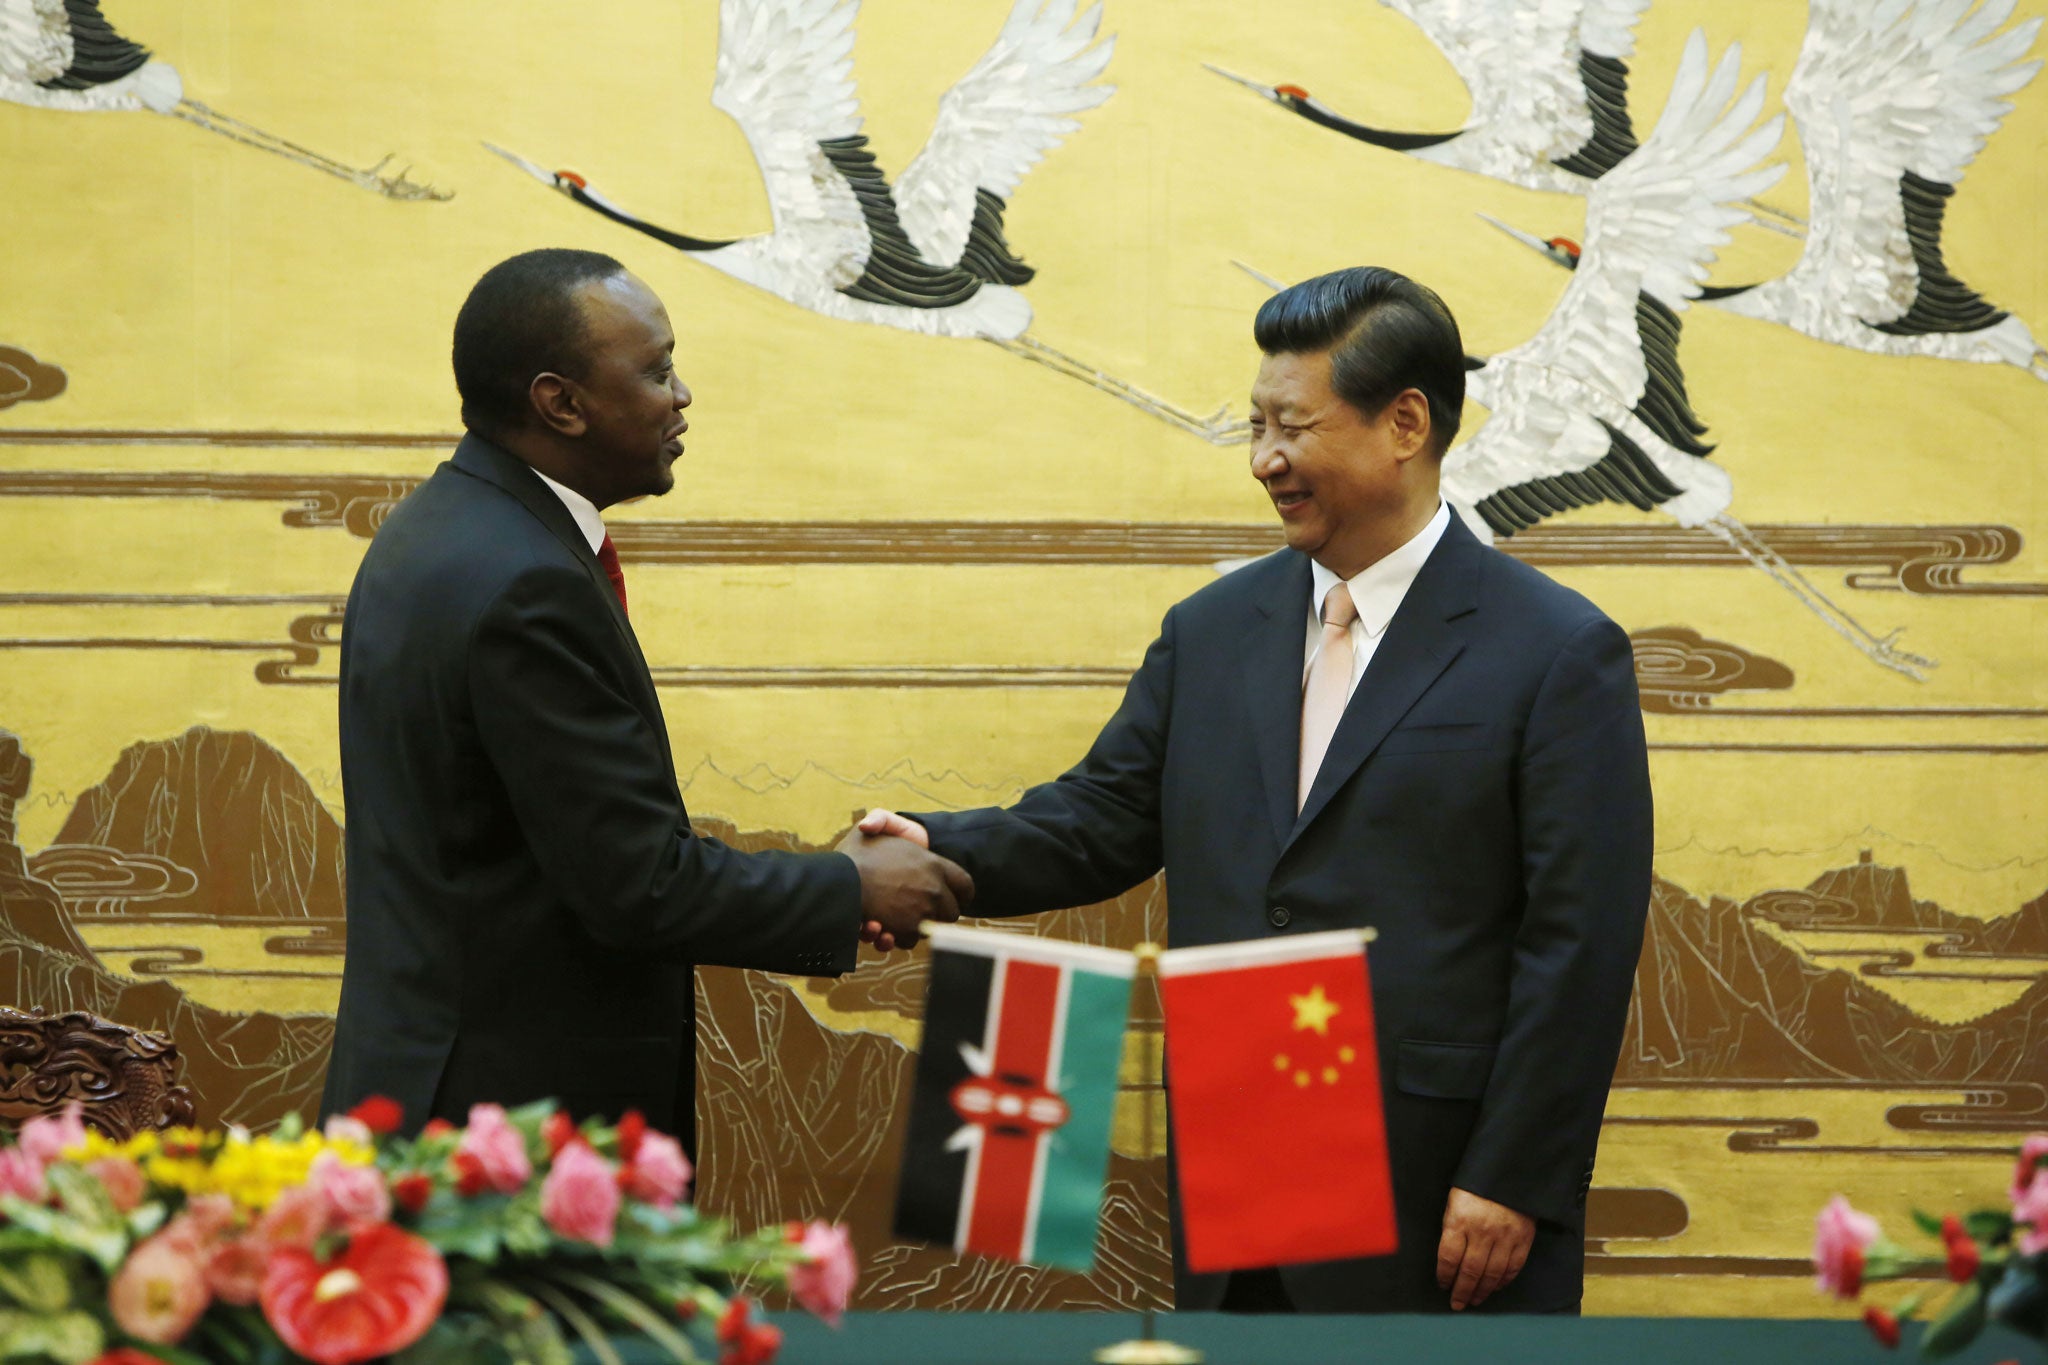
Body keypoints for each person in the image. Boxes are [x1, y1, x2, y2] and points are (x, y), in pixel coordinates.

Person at [862, 266, 1651, 1314]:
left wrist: (1511, 1175)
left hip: (1434, 1183)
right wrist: (928, 844)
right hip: (1248, 1156)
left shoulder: (1555, 651)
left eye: (1291, 427)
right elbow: (1097, 820)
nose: (1262, 461)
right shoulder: (1212, 632)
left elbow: (1579, 941)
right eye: (1254, 427)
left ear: (1404, 423)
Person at [322, 248, 969, 1152]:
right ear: (562, 403)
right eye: (658, 370)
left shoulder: (445, 531)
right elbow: (637, 884)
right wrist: (849, 886)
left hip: (432, 1092)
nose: (683, 396)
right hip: (504, 1134)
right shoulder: (523, 583)